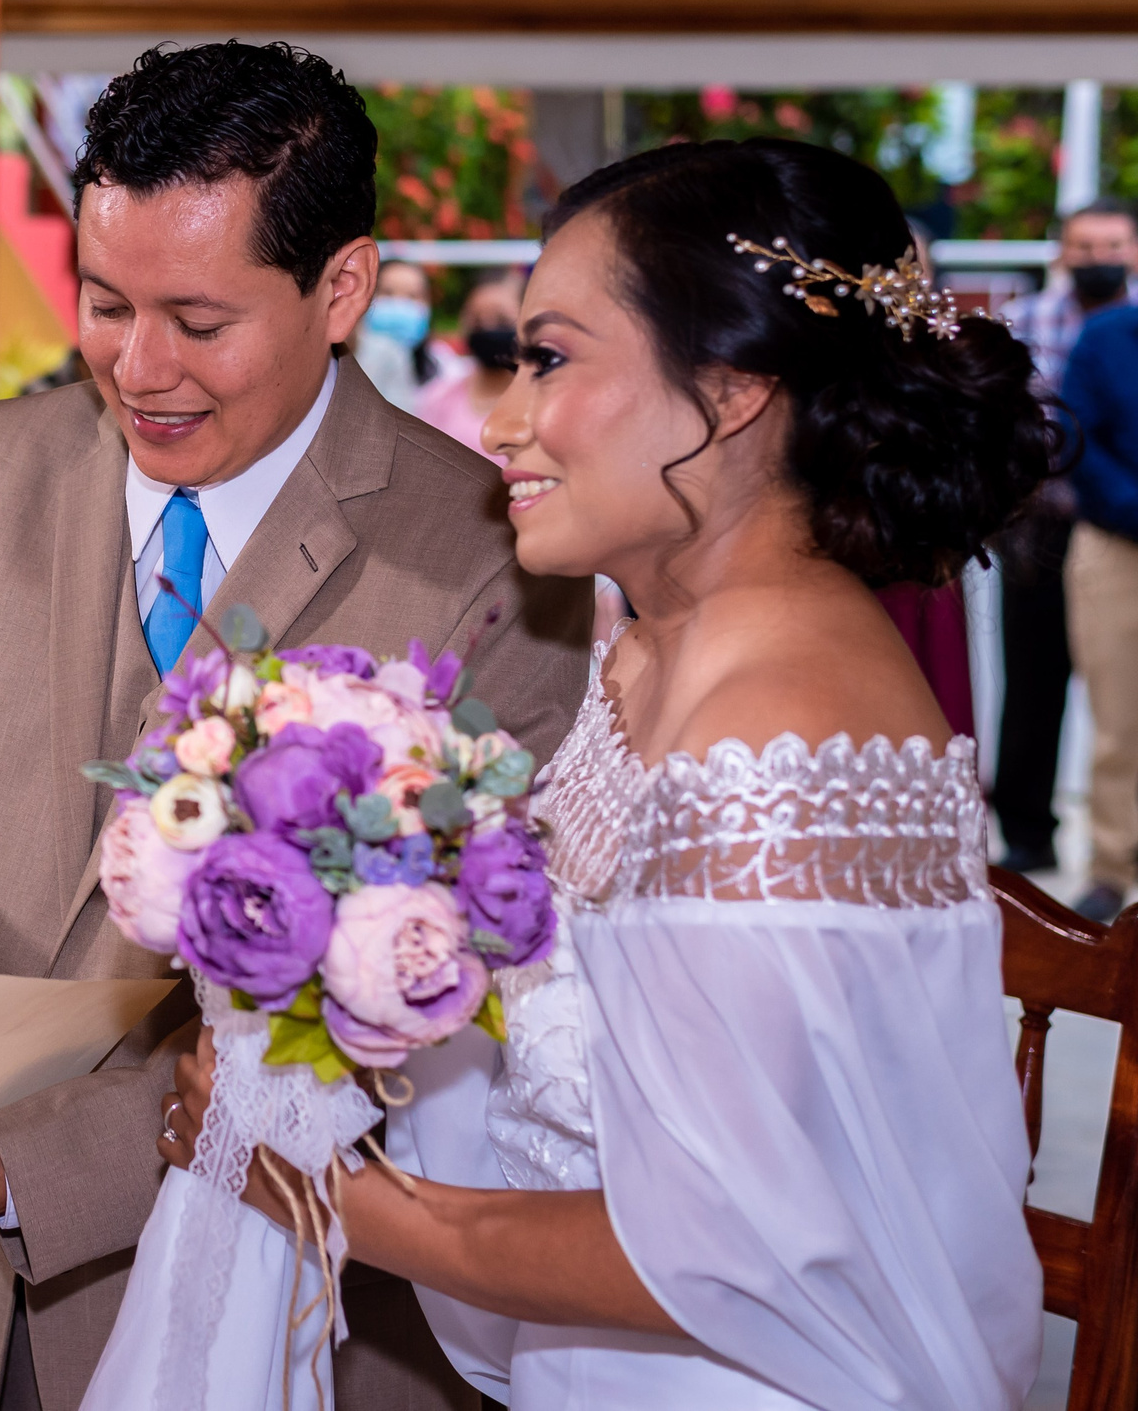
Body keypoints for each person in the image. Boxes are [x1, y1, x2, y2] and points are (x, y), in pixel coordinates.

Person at [0, 41, 592, 1411]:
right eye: (104, 303)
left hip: (304, 1319)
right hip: (6, 1316)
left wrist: (32, 1165)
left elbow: (445, 1010)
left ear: (342, 287)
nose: (138, 367)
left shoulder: (490, 560)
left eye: (198, 321)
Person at [159, 136, 1049, 1410]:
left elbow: (720, 1249)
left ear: (729, 391)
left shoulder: (773, 739)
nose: (500, 420)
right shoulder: (645, 652)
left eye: (551, 359)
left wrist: (329, 1192)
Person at [992, 199, 1135, 872]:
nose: (1099, 259)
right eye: (1086, 247)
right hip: (1045, 529)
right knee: (1034, 685)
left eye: (1113, 246)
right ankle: (1027, 835)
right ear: (1062, 253)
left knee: (1122, 694)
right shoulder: (1022, 322)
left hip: (1120, 529)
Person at [1062, 295, 1138, 921]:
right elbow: (1076, 434)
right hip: (1115, 545)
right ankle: (1112, 868)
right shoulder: (1105, 336)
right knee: (1117, 718)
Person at [413, 268, 523, 459]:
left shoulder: (542, 403)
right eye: (478, 321)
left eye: (502, 320)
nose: (488, 327)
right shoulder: (439, 397)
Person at [350, 259, 437, 412]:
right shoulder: (346, 362)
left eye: (412, 296)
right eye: (387, 293)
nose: (399, 304)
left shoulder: (445, 369)